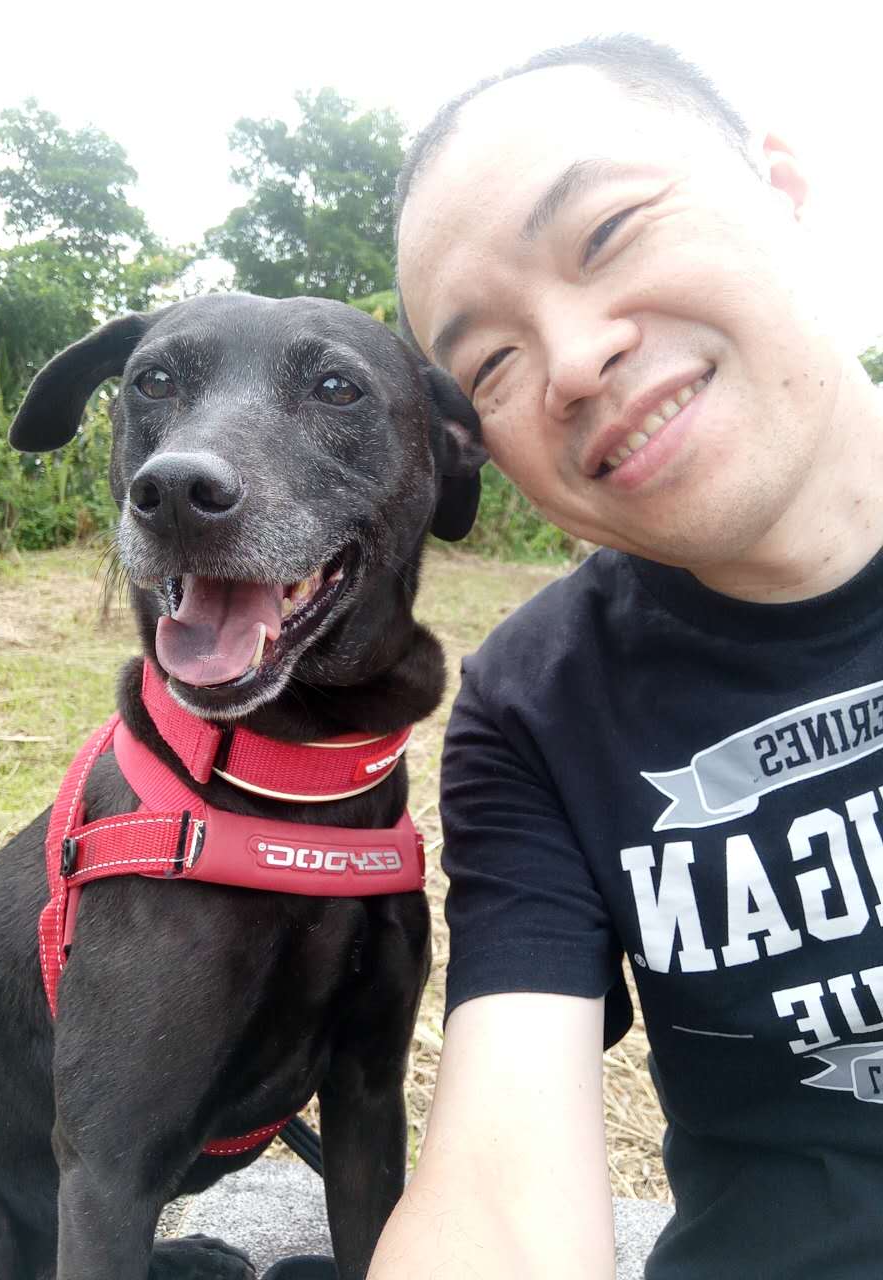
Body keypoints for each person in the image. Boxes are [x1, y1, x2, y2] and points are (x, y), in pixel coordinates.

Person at [368, 34, 883, 1280]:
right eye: (491, 363)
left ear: (782, 190)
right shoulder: (536, 708)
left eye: (607, 232)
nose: (572, 361)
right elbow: (500, 1204)